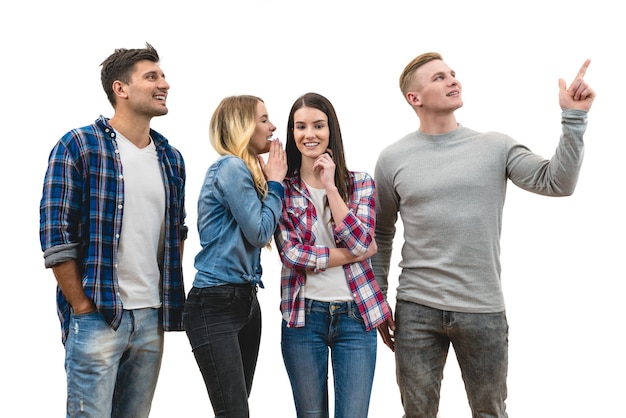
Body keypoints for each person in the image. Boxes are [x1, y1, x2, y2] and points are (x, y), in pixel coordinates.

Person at [371, 52, 595, 417]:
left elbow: (558, 183)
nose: (452, 80)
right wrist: (377, 298)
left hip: (482, 309)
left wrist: (574, 117)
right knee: (417, 413)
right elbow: (381, 232)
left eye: (453, 74)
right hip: (416, 310)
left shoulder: (495, 146)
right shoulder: (393, 158)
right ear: (415, 98)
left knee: (490, 412)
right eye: (439, 78)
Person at [39, 42, 187, 417]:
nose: (164, 84)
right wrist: (82, 305)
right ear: (120, 89)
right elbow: (56, 236)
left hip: (151, 316)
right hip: (99, 315)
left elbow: (176, 234)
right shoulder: (79, 146)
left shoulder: (171, 158)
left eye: (164, 75)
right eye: (151, 76)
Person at [275, 92, 392, 418]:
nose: (309, 134)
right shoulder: (282, 189)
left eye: (318, 125)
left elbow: (359, 241)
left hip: (356, 316)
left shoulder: (360, 184)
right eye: (300, 127)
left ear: (331, 131)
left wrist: (330, 187)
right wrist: (357, 252)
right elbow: (293, 255)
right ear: (292, 133)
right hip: (303, 317)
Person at [183, 95, 287, 417]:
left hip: (245, 302)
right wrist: (276, 185)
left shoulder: (247, 172)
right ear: (242, 126)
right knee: (234, 413)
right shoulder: (230, 167)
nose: (272, 127)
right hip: (214, 303)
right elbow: (259, 232)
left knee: (236, 411)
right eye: (263, 119)